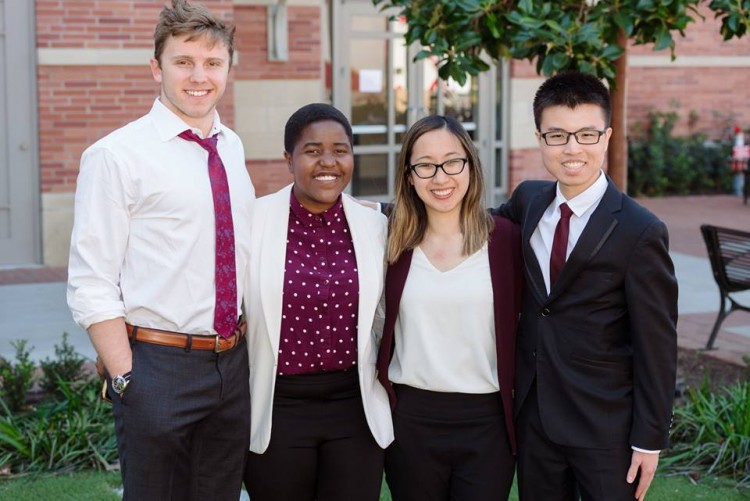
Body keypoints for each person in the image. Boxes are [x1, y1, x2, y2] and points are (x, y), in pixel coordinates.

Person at [66, 1, 254, 498]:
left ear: (229, 69)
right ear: (157, 67)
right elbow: (91, 280)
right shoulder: (116, 156)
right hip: (157, 367)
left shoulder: (230, 147)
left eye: (213, 63)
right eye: (183, 61)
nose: (200, 76)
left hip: (232, 365)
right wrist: (127, 377)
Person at [491, 71, 678, 501]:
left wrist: (649, 439)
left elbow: (657, 344)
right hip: (535, 419)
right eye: (557, 135)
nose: (572, 148)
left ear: (607, 136)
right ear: (540, 138)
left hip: (604, 428)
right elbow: (470, 225)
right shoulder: (529, 200)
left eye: (587, 134)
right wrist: (381, 212)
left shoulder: (640, 230)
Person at [243, 103, 393, 501]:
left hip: (354, 406)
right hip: (278, 407)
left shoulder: (374, 226)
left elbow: (381, 316)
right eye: (312, 151)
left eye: (340, 150)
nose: (329, 162)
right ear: (289, 159)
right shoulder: (254, 221)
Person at [376, 115, 523, 500]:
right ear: (409, 175)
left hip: (488, 423)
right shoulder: (389, 241)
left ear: (471, 166)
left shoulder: (506, 240)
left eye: (452, 162)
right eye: (425, 165)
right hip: (410, 422)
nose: (440, 177)